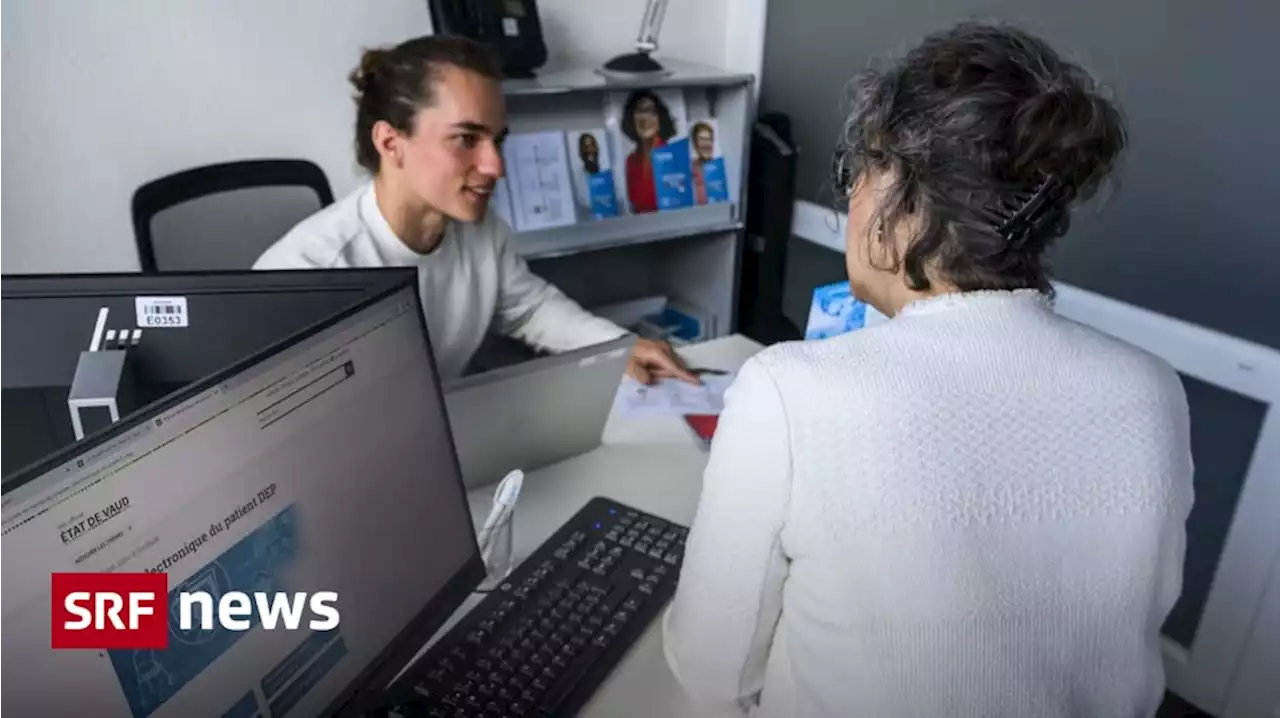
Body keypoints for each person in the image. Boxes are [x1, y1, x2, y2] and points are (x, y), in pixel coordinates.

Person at [662, 21, 1193, 718]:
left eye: (858, 174)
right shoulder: (1153, 391)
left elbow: (714, 673)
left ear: (899, 192)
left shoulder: (788, 391)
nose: (850, 202)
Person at [253, 36, 695, 385]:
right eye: (466, 138)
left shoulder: (480, 232)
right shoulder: (304, 274)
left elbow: (527, 308)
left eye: (497, 141)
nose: (495, 166)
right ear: (391, 143)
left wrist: (618, 345)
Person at [620, 89, 676, 214]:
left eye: (651, 111)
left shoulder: (674, 156)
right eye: (640, 111)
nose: (645, 118)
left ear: (660, 118)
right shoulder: (631, 161)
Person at [690, 121, 715, 205]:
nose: (706, 144)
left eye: (709, 139)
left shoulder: (720, 168)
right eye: (702, 139)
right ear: (695, 143)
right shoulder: (689, 169)